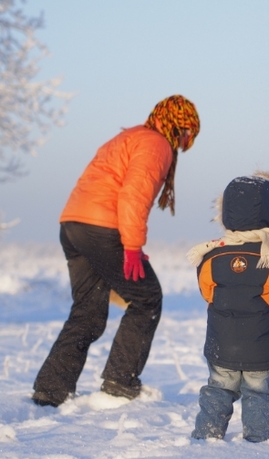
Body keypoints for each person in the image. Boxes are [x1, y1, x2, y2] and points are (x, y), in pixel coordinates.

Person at [32, 95, 200, 407]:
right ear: (175, 125)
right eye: (187, 133)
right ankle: (120, 381)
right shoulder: (156, 144)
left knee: (88, 311)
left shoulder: (129, 137)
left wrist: (129, 244)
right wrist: (132, 246)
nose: (186, 142)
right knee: (147, 299)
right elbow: (133, 194)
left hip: (73, 225)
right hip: (103, 228)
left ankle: (51, 389)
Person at [188, 171, 269, 443]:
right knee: (260, 393)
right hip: (263, 345)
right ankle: (258, 442)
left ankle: (206, 437)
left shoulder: (212, 254)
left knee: (218, 389)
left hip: (222, 343)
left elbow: (208, 293)